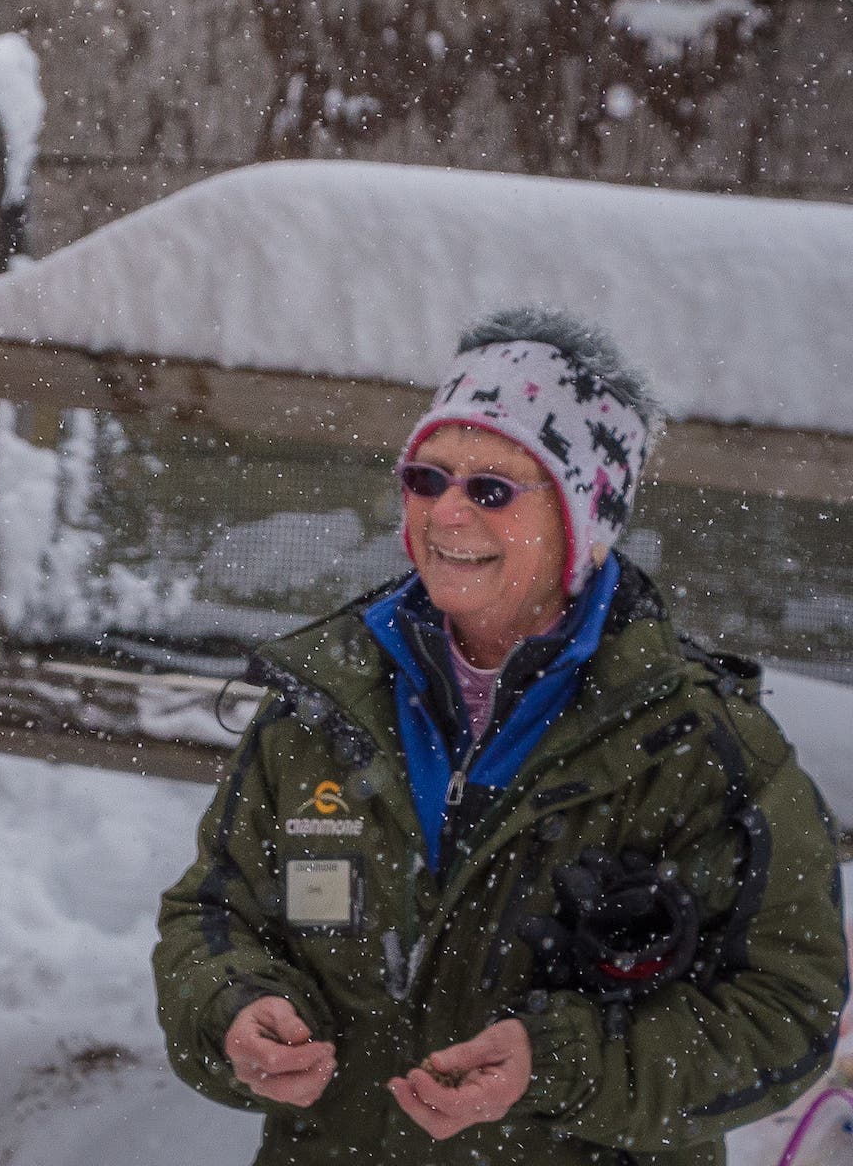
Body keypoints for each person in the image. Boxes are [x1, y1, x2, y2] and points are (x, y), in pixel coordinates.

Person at [154, 308, 848, 1163]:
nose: (447, 513)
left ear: (584, 522)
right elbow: (214, 913)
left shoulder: (698, 746)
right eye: (426, 478)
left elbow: (787, 1012)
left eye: (491, 489)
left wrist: (561, 1064)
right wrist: (232, 1008)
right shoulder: (322, 705)